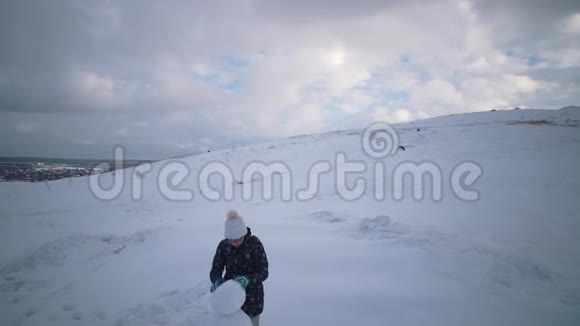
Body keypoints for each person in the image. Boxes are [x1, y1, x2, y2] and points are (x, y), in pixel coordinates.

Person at [210, 210, 269, 326]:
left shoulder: (254, 244)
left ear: (243, 234)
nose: (234, 243)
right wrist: (216, 281)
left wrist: (248, 279)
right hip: (231, 299)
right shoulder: (223, 246)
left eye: (238, 239)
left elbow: (264, 272)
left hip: (253, 297)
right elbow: (216, 268)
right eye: (231, 240)